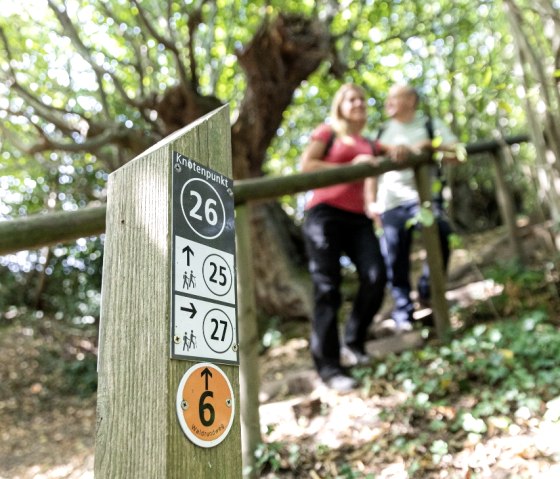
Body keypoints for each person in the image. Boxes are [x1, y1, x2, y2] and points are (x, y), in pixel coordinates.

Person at [300, 83, 387, 392]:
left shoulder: (371, 143)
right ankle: (329, 366)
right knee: (327, 288)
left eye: (363, 98)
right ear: (340, 105)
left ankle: (354, 341)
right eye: (352, 99)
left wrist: (406, 149)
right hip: (324, 214)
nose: (359, 103)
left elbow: (394, 155)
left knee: (376, 276)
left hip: (359, 219)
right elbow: (306, 166)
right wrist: (349, 167)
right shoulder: (328, 132)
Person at [369, 83, 459, 333]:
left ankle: (428, 291)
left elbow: (457, 153)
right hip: (390, 202)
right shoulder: (382, 131)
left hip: (424, 199)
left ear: (410, 100)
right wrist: (370, 202)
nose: (387, 103)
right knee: (394, 256)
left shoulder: (430, 125)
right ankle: (403, 311)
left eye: (393, 98)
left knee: (441, 234)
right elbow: (370, 172)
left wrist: (428, 145)